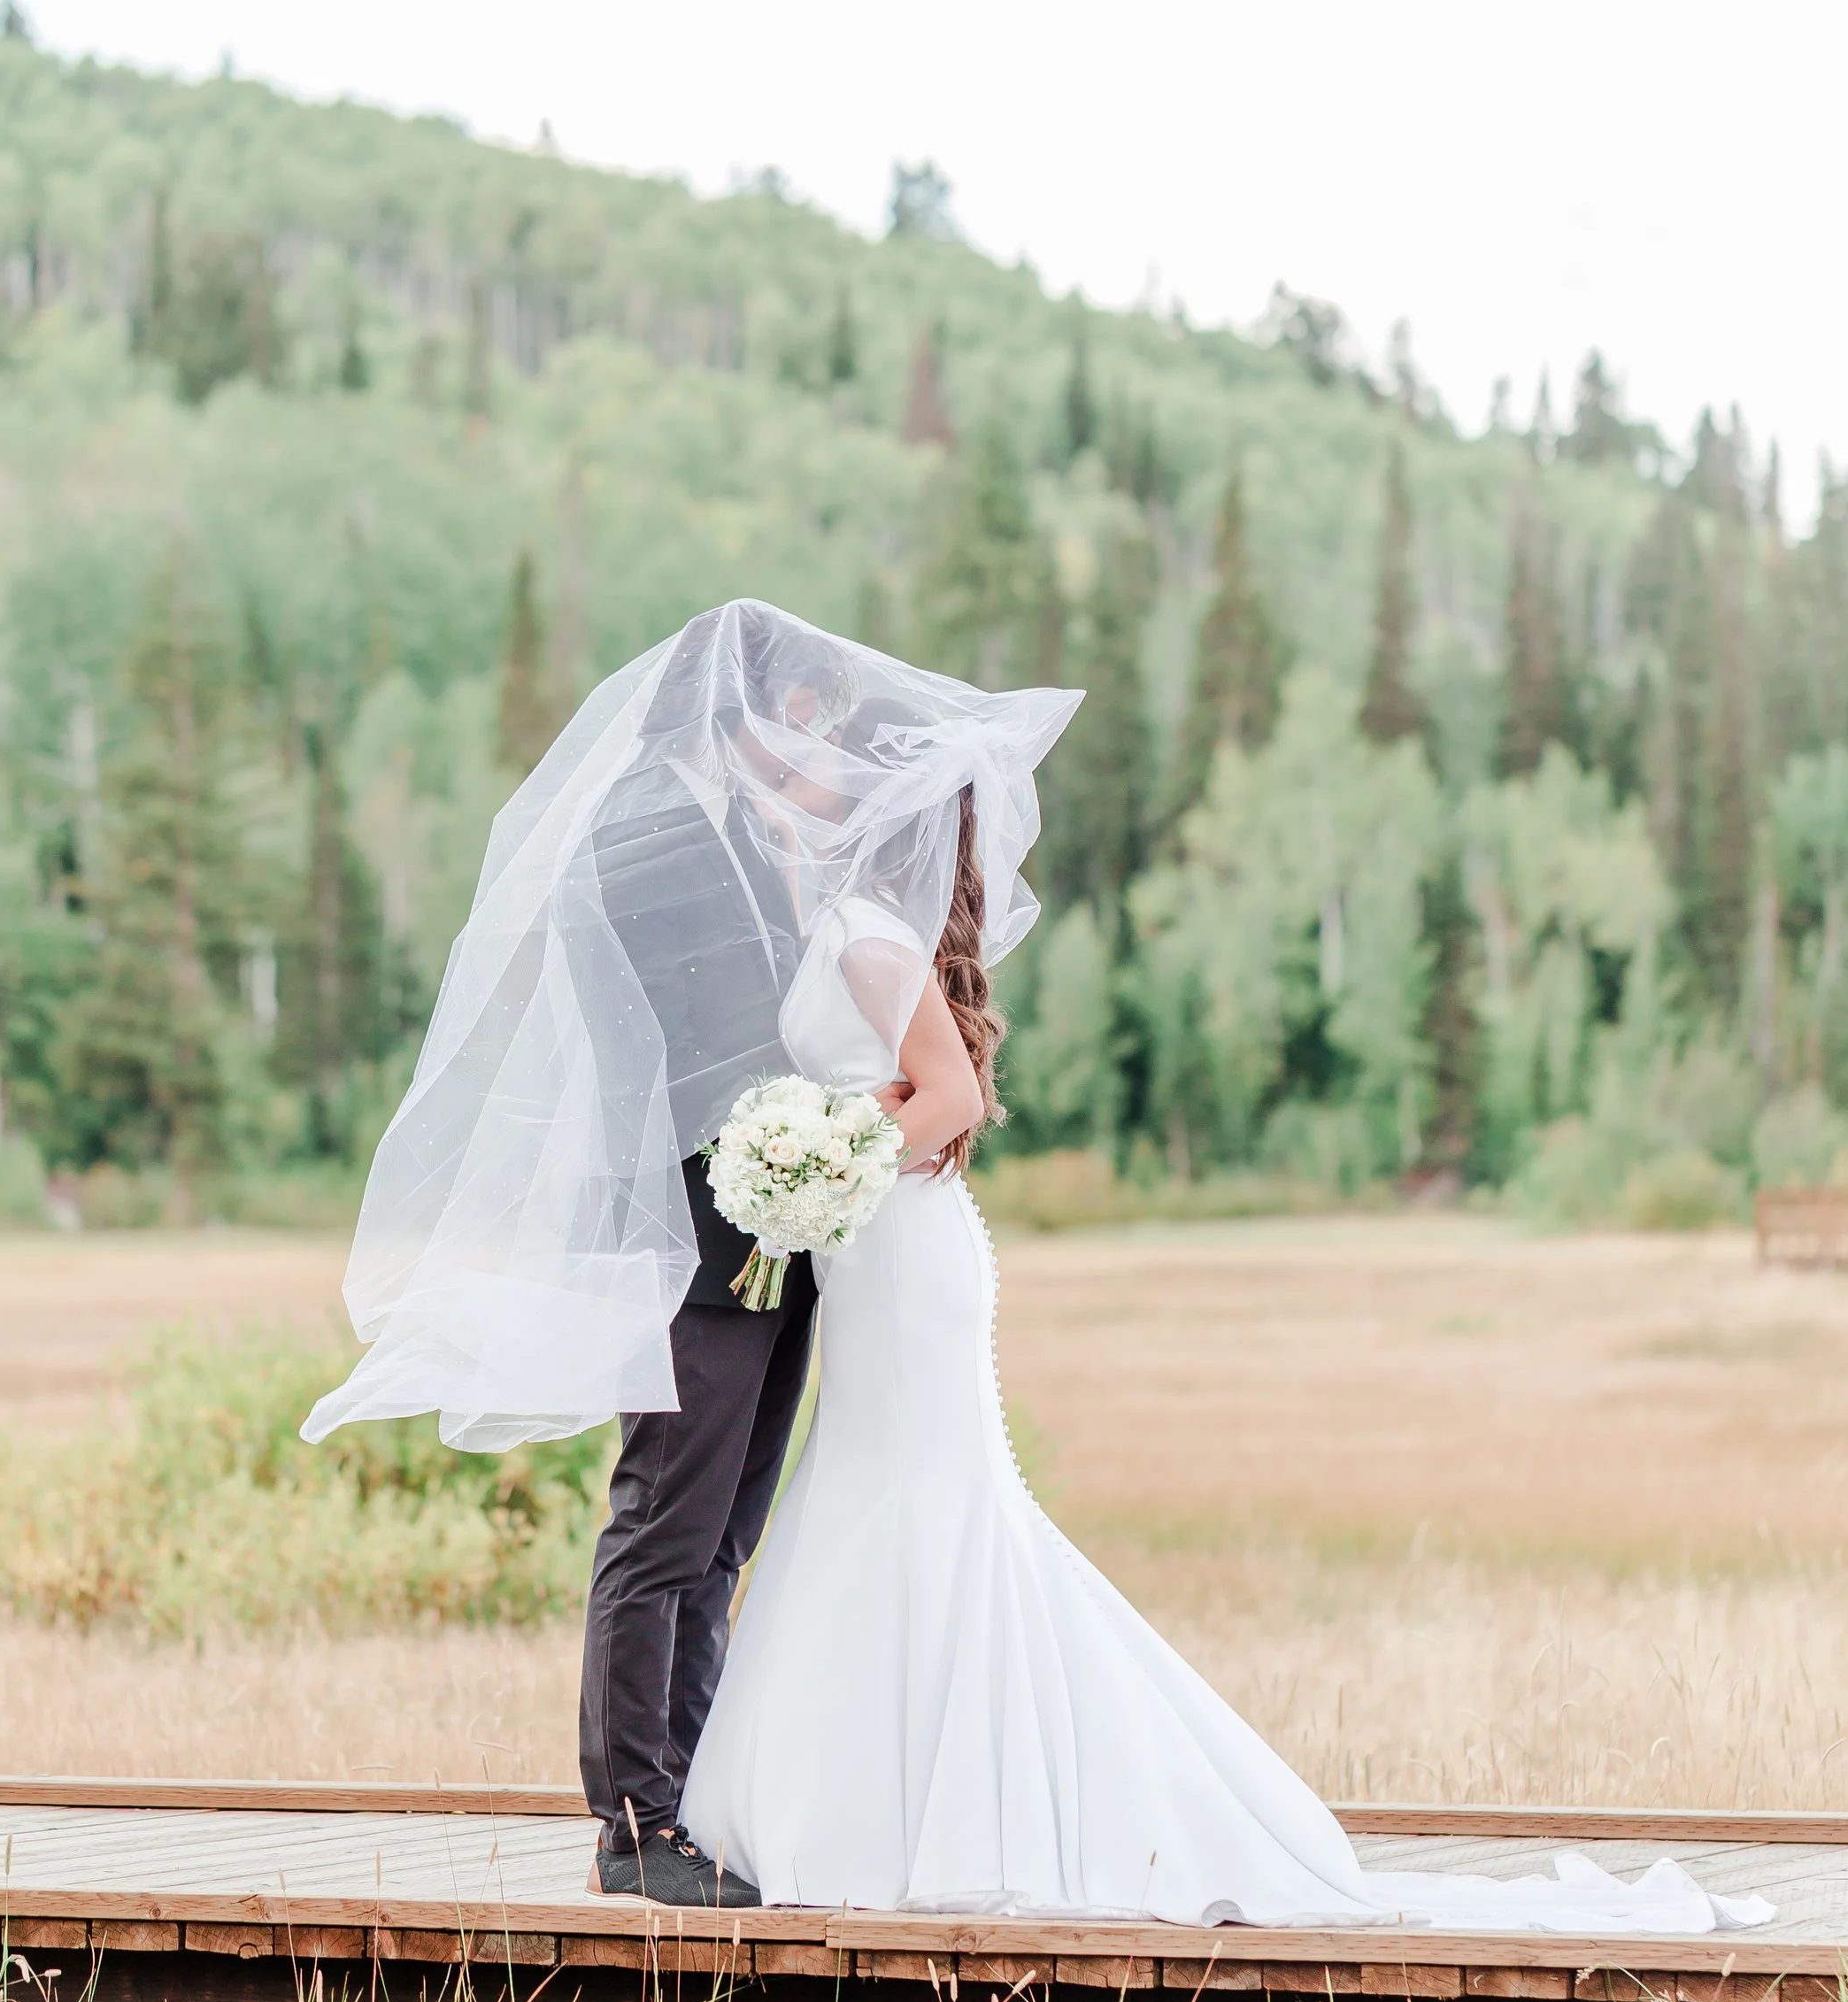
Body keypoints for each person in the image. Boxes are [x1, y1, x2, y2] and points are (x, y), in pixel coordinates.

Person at [680, 775, 1771, 1941]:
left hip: (900, 1251)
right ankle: (899, 1809)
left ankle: (916, 1819)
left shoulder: (866, 934)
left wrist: (825, 1160)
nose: (819, 803)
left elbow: (949, 1095)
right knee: (884, 1486)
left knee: (913, 1493)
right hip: (877, 1250)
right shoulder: (844, 919)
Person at [301, 600, 1078, 1906]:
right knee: (665, 1522)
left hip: (781, 1228)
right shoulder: (651, 827)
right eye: (806, 715)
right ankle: (633, 1819)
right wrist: (815, 1142)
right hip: (700, 1234)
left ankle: (693, 1797)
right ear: (748, 708)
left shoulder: (747, 829)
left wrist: (820, 1155)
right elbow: (700, 1042)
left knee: (723, 1535)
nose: (816, 741)